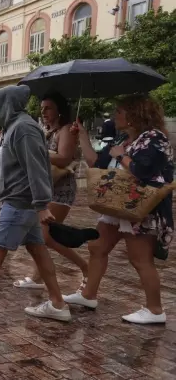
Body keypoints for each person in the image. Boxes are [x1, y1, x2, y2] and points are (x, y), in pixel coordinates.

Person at [0, 85, 71, 322]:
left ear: (7, 105)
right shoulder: (18, 127)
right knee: (38, 251)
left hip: (21, 202)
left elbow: (36, 167)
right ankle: (58, 303)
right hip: (22, 201)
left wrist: (40, 204)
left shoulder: (24, 129)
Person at [64, 96, 172, 324]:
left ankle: (155, 310)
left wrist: (121, 155)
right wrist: (82, 135)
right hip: (116, 205)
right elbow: (96, 163)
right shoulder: (124, 138)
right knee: (97, 247)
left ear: (134, 115)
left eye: (119, 111)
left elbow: (143, 172)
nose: (115, 115)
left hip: (140, 207)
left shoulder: (155, 139)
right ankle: (88, 295)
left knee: (140, 259)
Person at [13, 92, 88, 289]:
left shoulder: (66, 130)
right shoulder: (46, 131)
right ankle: (38, 278)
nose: (43, 111)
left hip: (61, 189)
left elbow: (64, 158)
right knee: (39, 236)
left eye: (48, 108)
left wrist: (39, 151)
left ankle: (84, 266)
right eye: (42, 108)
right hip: (45, 187)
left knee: (45, 236)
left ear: (59, 110)